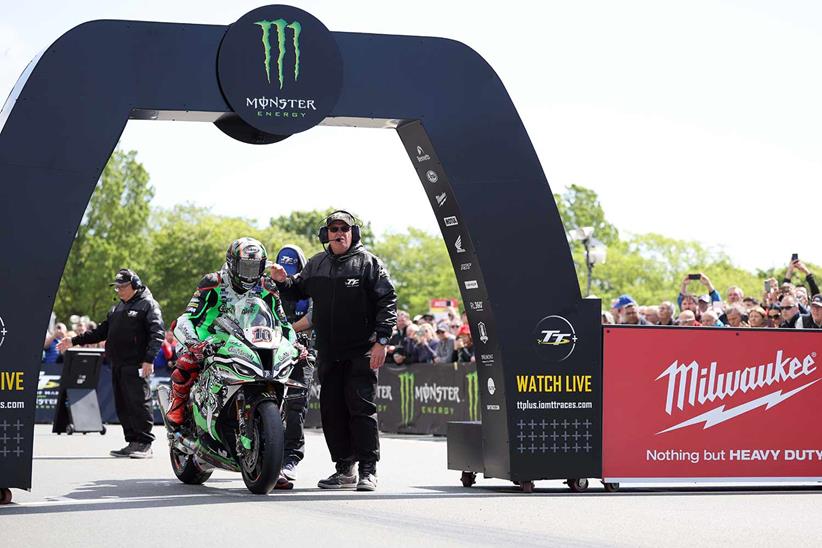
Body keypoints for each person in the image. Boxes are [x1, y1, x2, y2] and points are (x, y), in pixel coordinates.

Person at [271, 210, 397, 492]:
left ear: (353, 233)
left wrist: (383, 340)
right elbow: (296, 291)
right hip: (328, 350)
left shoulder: (369, 263)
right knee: (331, 411)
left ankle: (368, 470)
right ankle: (344, 469)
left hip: (361, 349)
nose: (339, 232)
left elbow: (387, 301)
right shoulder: (316, 264)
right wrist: (282, 280)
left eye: (344, 228)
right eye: (333, 228)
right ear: (325, 234)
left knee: (360, 408)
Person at [166, 238, 301, 430]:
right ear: (232, 263)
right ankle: (177, 406)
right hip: (208, 339)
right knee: (187, 363)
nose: (250, 273)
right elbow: (187, 317)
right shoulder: (213, 283)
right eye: (245, 267)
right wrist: (193, 342)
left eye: (255, 268)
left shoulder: (267, 287)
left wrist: (294, 345)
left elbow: (283, 324)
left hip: (247, 340)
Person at [58, 269, 164, 458]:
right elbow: (99, 332)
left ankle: (145, 443)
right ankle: (133, 442)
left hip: (137, 364)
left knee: (139, 402)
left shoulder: (147, 304)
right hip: (117, 364)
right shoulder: (117, 308)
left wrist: (149, 359)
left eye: (122, 286)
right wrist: (72, 341)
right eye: (116, 287)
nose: (118, 291)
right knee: (123, 405)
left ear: (135, 285)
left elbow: (158, 334)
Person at [274, 243, 315, 488]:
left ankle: (290, 460)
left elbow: (313, 318)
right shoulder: (267, 287)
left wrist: (286, 330)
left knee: (295, 406)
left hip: (303, 351)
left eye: (293, 266)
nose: (288, 270)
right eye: (284, 265)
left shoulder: (310, 286)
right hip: (269, 348)